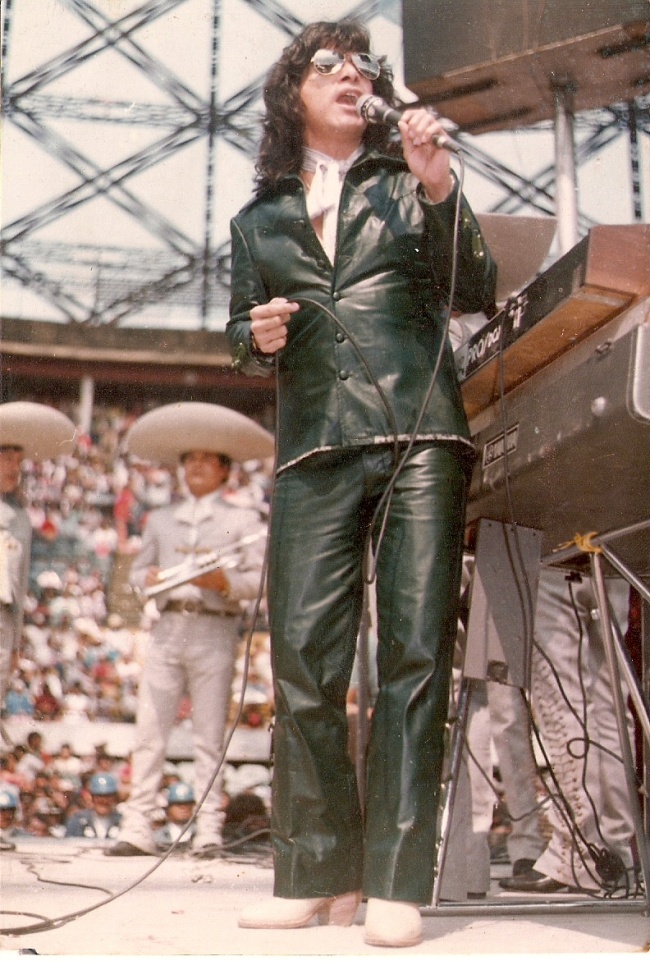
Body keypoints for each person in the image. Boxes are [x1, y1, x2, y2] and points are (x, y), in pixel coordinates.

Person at [226, 20, 496, 947]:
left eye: (361, 67)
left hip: (420, 432)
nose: (351, 76)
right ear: (290, 90)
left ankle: (394, 877)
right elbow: (237, 339)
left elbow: (476, 287)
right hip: (314, 447)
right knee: (304, 656)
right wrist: (255, 335)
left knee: (415, 653)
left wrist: (438, 182)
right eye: (327, 64)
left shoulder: (406, 182)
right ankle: (314, 872)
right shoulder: (257, 220)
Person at [107, 402, 272, 859]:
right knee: (150, 730)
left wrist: (223, 583)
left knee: (208, 736)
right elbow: (137, 575)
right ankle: (137, 825)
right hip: (167, 627)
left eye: (207, 460)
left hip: (214, 629)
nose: (196, 467)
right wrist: (151, 581)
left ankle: (208, 831)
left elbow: (259, 584)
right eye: (190, 459)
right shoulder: (161, 518)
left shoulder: (243, 521)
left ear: (224, 471)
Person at [499, 567, 637, 894]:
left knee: (563, 700)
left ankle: (576, 850)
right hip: (607, 546)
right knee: (609, 701)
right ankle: (614, 850)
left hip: (551, 550)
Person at [0, 402, 75, 710]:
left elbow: (17, 588)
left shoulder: (19, 518)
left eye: (18, 460)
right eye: (5, 457)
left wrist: (15, 642)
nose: (14, 467)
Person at [65, 772, 122, 841]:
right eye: (99, 796)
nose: (103, 801)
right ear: (92, 797)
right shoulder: (78, 821)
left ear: (114, 798)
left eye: (108, 796)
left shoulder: (123, 822)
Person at [154, 781, 196, 852]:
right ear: (168, 808)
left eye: (188, 804)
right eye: (178, 804)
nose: (184, 808)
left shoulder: (200, 833)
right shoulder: (156, 836)